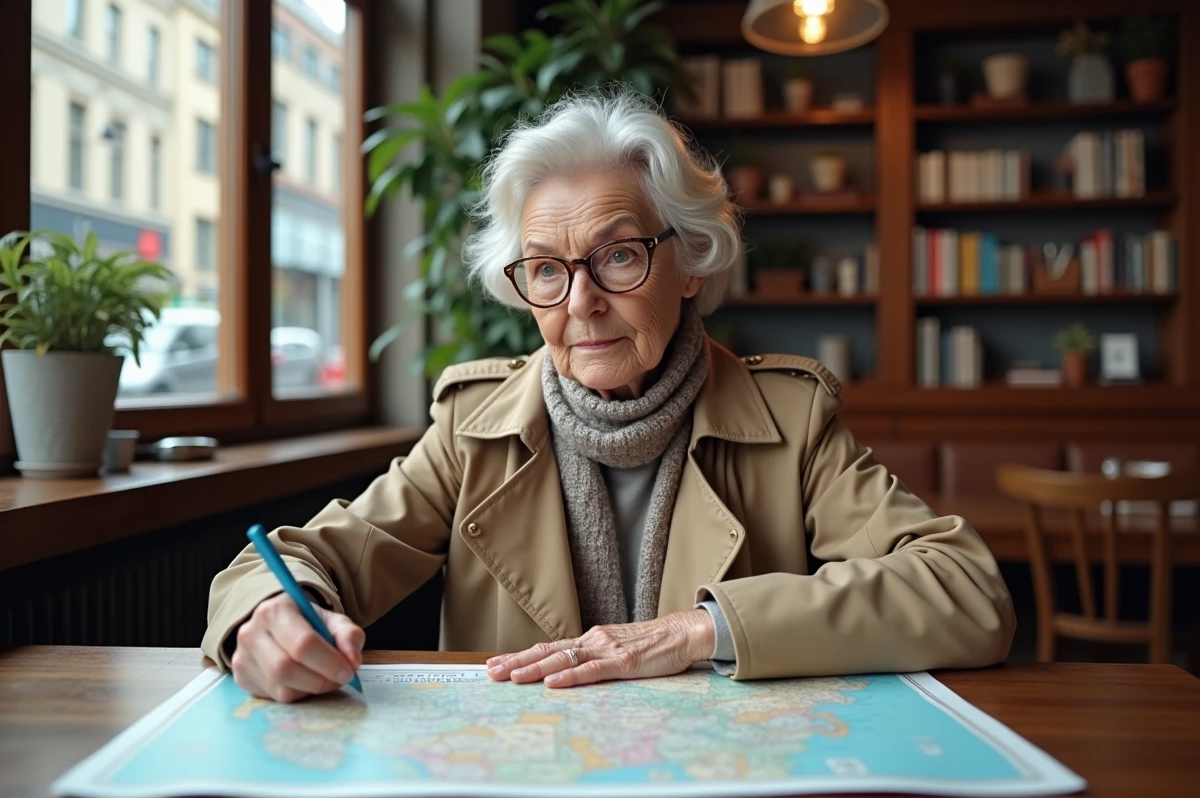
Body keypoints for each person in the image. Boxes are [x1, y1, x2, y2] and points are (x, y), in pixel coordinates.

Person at [202, 89, 1014, 704]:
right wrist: (270, 612)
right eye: (547, 270)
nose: (580, 302)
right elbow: (297, 558)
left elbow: (965, 589)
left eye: (618, 256)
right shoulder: (471, 429)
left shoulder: (789, 419)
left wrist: (704, 631)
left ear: (692, 260)